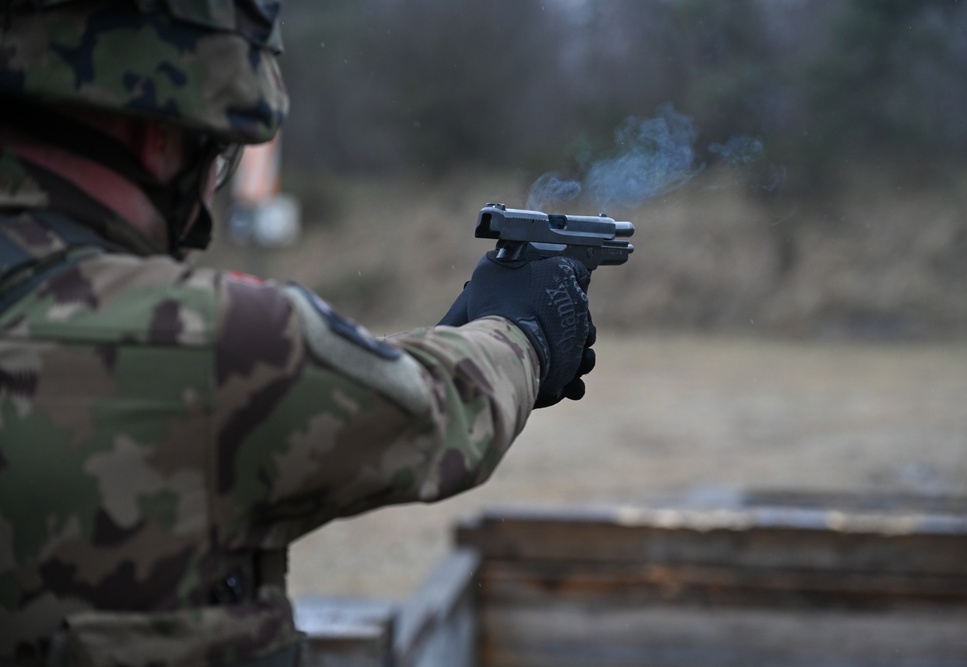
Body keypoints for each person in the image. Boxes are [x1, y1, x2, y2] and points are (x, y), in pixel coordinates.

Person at [0, 1, 597, 665]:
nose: (209, 194)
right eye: (216, 152)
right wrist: (526, 330)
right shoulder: (207, 343)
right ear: (156, 137)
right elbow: (438, 410)